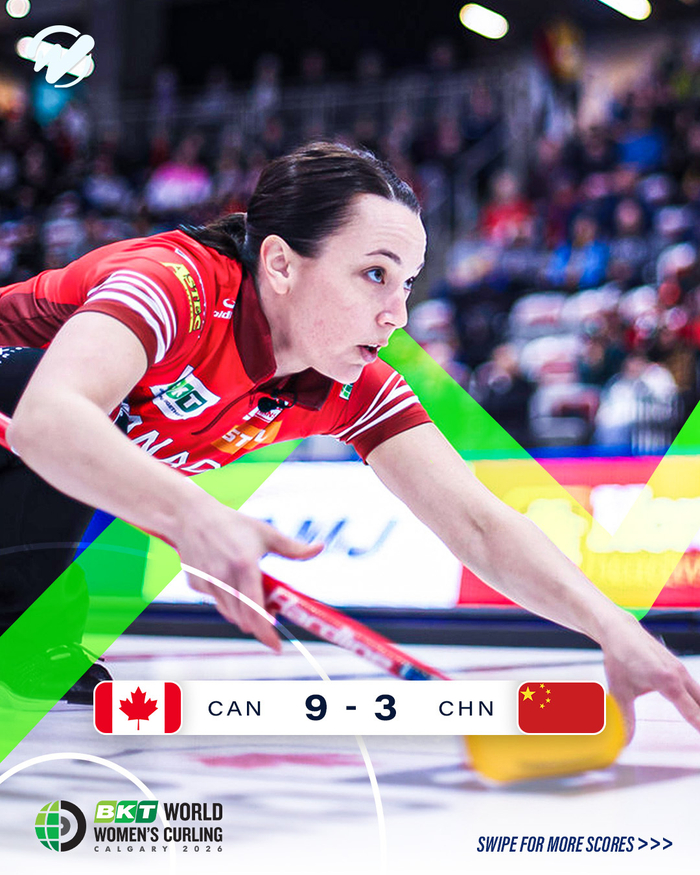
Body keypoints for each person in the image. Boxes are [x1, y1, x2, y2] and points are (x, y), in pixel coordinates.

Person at [1, 143, 699, 739]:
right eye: (374, 274)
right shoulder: (174, 284)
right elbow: (47, 419)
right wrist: (193, 514)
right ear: (280, 264)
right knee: (47, 389)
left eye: (408, 284)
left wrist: (617, 629)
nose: (398, 314)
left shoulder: (351, 382)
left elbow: (480, 526)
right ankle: (26, 622)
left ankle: (28, 627)